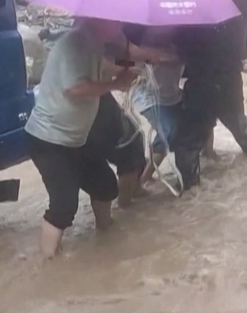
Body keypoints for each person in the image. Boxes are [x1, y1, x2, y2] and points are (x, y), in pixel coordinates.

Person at [24, 19, 166, 258]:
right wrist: (114, 84)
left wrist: (126, 72)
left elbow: (101, 66)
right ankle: (48, 264)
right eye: (114, 22)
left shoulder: (93, 44)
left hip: (76, 139)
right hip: (49, 140)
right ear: (96, 20)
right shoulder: (74, 44)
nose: (119, 27)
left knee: (105, 186)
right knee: (64, 205)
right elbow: (75, 88)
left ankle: (105, 234)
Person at [170, 0, 247, 192]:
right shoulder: (235, 16)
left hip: (202, 85)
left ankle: (189, 187)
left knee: (188, 140)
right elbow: (241, 57)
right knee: (239, 125)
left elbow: (180, 55)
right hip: (230, 83)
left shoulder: (189, 20)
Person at [127, 27, 185, 186]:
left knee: (193, 122)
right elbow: (120, 61)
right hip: (147, 96)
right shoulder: (142, 44)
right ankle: (143, 180)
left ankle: (207, 157)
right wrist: (147, 58)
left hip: (172, 95)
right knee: (168, 132)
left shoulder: (183, 41)